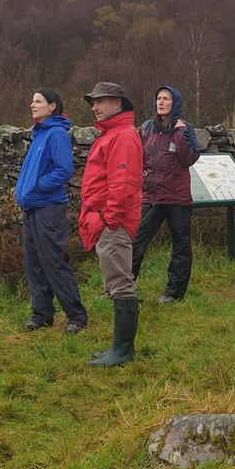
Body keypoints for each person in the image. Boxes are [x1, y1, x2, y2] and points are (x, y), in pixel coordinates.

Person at [78, 82, 143, 366]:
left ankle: (123, 350)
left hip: (113, 222)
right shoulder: (111, 134)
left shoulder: (122, 136)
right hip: (106, 220)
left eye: (101, 101)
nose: (94, 107)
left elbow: (123, 182)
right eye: (93, 102)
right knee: (115, 281)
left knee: (120, 283)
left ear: (118, 103)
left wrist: (109, 219)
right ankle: (118, 348)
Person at [14, 89, 87, 335]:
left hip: (48, 208)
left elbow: (63, 170)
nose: (32, 104)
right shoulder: (40, 134)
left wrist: (37, 187)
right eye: (32, 100)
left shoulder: (56, 134)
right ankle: (42, 315)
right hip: (32, 208)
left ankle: (76, 316)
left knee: (54, 262)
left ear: (52, 106)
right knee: (34, 263)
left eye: (38, 101)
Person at [130, 87, 201, 303]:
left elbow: (190, 158)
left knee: (181, 243)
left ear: (175, 103)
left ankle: (174, 292)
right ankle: (123, 289)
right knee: (136, 241)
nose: (161, 102)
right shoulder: (146, 128)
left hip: (177, 198)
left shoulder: (185, 128)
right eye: (158, 98)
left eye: (166, 99)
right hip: (150, 197)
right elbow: (136, 157)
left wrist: (179, 134)